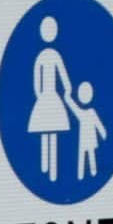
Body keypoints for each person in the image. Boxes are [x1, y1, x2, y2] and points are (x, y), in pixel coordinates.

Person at [26, 16, 72, 181]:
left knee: (49, 131)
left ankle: (49, 169)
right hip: (50, 98)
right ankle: (47, 168)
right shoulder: (50, 56)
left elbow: (38, 81)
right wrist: (66, 89)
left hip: (47, 98)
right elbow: (62, 77)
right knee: (49, 131)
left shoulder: (47, 56)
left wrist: (41, 95)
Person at [66, 79, 107, 180]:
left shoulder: (90, 112)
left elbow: (98, 123)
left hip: (89, 139)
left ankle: (92, 172)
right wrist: (67, 98)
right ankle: (81, 175)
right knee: (83, 156)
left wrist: (103, 132)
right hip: (84, 140)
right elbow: (73, 107)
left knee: (90, 155)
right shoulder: (83, 113)